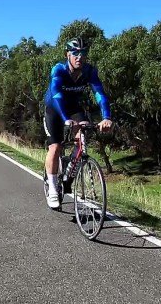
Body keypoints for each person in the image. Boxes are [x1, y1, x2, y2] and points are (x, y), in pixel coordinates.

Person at [43, 38, 113, 208]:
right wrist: (65, 119)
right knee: (55, 147)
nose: (79, 57)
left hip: (74, 108)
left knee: (82, 137)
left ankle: (69, 173)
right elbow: (57, 95)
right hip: (55, 108)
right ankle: (52, 188)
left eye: (83, 53)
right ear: (68, 54)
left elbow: (100, 94)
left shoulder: (89, 71)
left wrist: (107, 117)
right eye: (75, 53)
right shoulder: (59, 70)